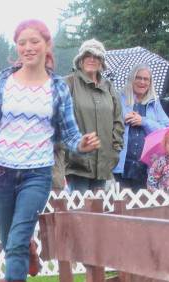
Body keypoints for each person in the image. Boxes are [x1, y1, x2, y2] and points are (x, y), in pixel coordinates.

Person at [0, 20, 100, 282]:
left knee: (16, 239)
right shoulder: (1, 83)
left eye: (34, 42)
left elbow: (68, 133)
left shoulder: (57, 87)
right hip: (2, 171)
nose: (28, 47)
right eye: (22, 42)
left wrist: (82, 144)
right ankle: (30, 251)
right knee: (10, 240)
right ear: (17, 48)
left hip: (37, 172)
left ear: (47, 46)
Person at [59, 39, 123, 193]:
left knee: (97, 212)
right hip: (76, 164)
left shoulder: (109, 87)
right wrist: (68, 151)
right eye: (88, 55)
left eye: (96, 56)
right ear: (80, 60)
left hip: (103, 164)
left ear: (102, 62)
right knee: (79, 211)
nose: (92, 59)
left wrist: (115, 149)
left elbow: (118, 120)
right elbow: (59, 121)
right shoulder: (67, 84)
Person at [113, 64, 169, 191]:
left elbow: (166, 130)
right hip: (122, 164)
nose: (142, 82)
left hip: (146, 166)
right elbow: (109, 123)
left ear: (150, 83)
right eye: (138, 78)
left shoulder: (154, 103)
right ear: (131, 79)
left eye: (146, 79)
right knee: (121, 205)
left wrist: (143, 121)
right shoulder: (118, 98)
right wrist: (123, 119)